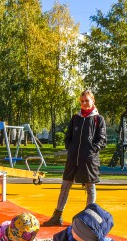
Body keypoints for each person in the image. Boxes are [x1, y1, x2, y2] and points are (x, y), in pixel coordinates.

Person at [42, 90, 107, 226]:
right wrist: (70, 148)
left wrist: (91, 151)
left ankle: (89, 219)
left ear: (93, 101)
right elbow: (68, 137)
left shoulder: (97, 119)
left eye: (87, 100)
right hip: (73, 159)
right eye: (82, 101)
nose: (84, 103)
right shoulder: (75, 118)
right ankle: (57, 216)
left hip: (89, 160)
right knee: (65, 185)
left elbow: (102, 140)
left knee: (90, 188)